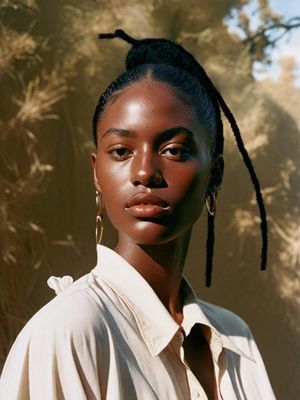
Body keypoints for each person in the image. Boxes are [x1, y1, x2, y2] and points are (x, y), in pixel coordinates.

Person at [0, 30, 275, 399]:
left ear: (215, 175)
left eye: (174, 150)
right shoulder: (70, 331)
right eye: (121, 151)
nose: (145, 172)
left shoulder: (237, 339)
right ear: (96, 172)